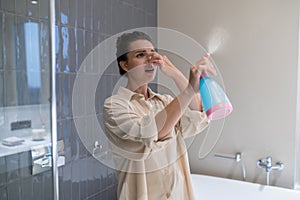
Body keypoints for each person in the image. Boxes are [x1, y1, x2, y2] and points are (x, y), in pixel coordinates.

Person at [103, 31, 216, 200]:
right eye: (140, 55)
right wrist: (189, 90)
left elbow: (197, 113)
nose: (150, 59)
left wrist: (175, 73)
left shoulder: (165, 102)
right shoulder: (115, 106)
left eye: (152, 53)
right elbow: (149, 134)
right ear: (125, 65)